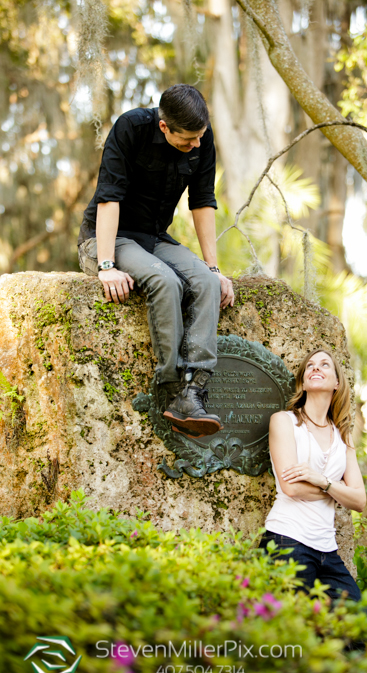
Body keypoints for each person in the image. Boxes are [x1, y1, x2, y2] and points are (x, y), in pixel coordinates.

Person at [77, 84, 234, 438]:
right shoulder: (130, 128)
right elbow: (109, 197)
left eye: (200, 137)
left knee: (207, 283)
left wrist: (213, 267)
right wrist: (106, 265)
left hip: (154, 239)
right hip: (109, 237)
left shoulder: (200, 139)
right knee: (165, 281)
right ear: (165, 127)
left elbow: (203, 201)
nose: (196, 145)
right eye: (188, 140)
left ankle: (193, 392)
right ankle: (169, 386)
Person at [260, 348, 367, 649]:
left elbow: (361, 501)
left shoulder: (344, 436)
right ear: (301, 381)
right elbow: (292, 488)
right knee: (291, 642)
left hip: (328, 553)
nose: (316, 368)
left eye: (324, 364)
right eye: (309, 366)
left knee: (366, 640)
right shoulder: (284, 422)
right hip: (287, 543)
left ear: (337, 382)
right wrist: (336, 491)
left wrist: (322, 480)